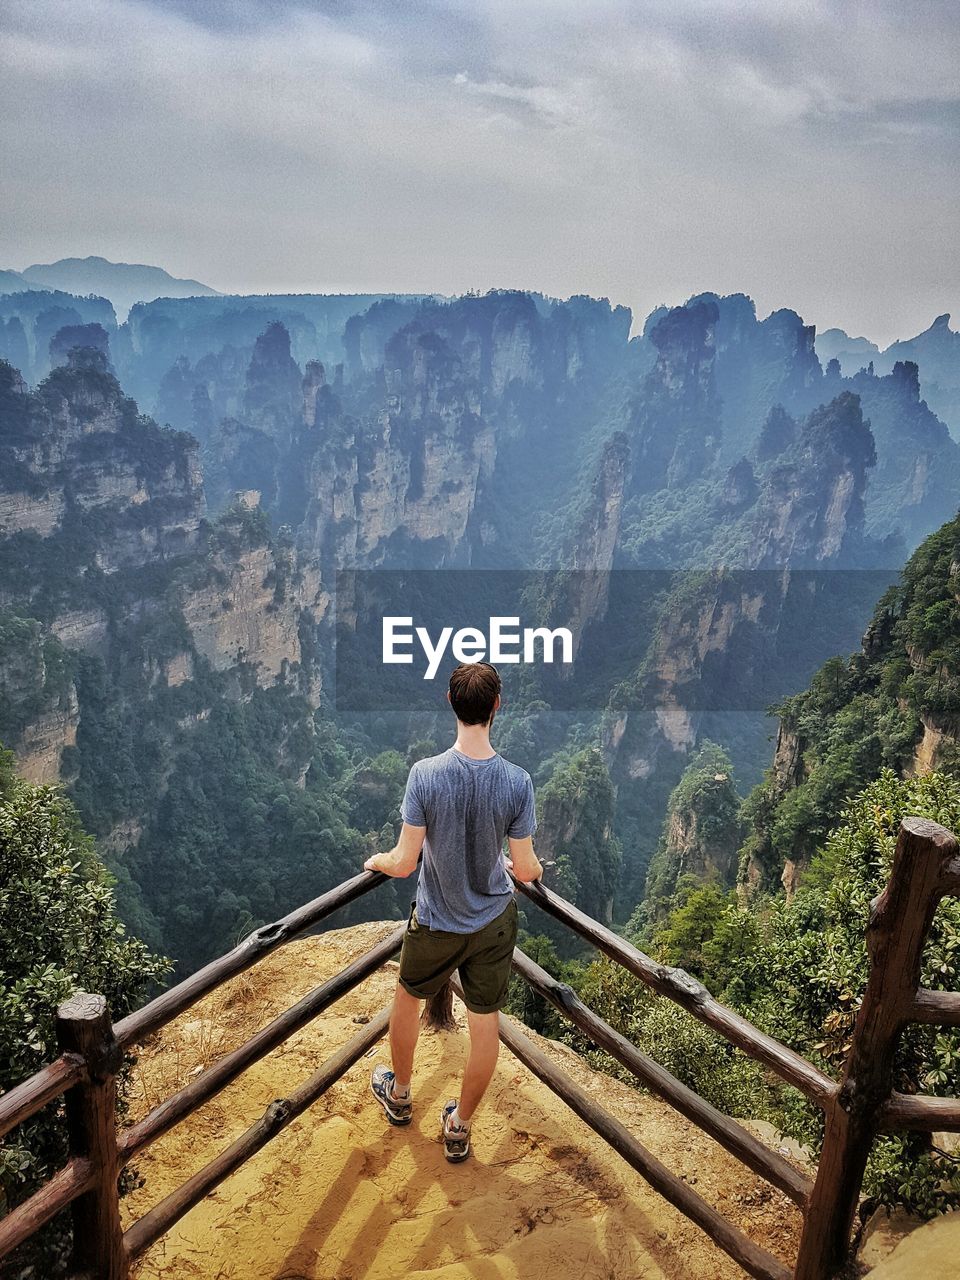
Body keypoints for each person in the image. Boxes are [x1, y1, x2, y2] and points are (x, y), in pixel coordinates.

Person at [363, 661, 543, 1162]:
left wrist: (375, 859)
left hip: (438, 919)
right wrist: (520, 865)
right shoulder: (517, 782)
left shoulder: (425, 775)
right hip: (491, 924)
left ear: (450, 702)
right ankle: (460, 1126)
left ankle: (399, 1096)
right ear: (496, 707)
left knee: (406, 999)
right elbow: (525, 870)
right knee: (485, 1025)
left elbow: (403, 863)